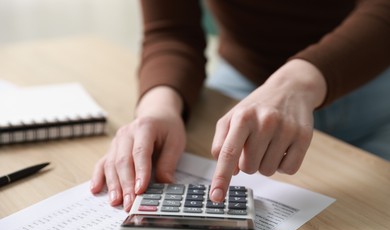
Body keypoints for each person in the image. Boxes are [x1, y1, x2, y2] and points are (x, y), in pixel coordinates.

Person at [90, 0, 390, 212]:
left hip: (372, 73)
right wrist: (159, 107)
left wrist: (298, 83)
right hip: (244, 83)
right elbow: (171, 31)